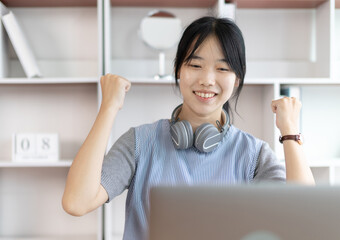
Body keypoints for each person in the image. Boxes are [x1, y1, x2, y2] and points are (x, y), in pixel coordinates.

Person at [62, 16, 315, 240]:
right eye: (195, 65)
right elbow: (76, 202)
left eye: (222, 68)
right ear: (178, 70)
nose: (207, 79)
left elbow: (305, 216)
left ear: (237, 80)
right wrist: (108, 108)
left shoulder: (252, 154)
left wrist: (289, 130)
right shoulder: (140, 143)